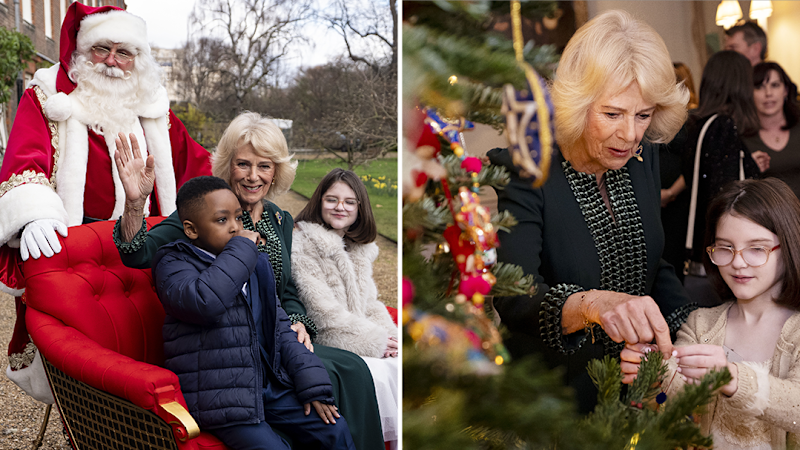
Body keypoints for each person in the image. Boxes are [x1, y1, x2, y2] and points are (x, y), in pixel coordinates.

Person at [113, 112, 384, 450]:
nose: (253, 176)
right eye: (243, 164)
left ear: (276, 172)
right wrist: (135, 205)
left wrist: (298, 321)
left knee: (351, 369)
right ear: (228, 166)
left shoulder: (279, 219)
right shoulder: (203, 213)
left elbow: (286, 288)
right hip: (225, 358)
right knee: (337, 373)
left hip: (275, 336)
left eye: (264, 166)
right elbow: (138, 254)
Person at [0, 2, 211, 402]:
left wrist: (243, 181)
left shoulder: (153, 109)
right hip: (76, 252)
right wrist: (34, 213)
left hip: (145, 252)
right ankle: (87, 416)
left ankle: (150, 410)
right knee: (85, 359)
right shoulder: (46, 97)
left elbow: (196, 167)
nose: (112, 61)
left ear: (137, 60)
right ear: (84, 51)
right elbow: (24, 159)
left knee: (155, 343)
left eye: (124, 52)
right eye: (102, 49)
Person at [486, 10, 694, 413]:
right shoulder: (526, 167)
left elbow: (651, 263)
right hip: (553, 399)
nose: (630, 134)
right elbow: (514, 296)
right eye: (612, 113)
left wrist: (695, 326)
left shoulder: (642, 157)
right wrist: (592, 305)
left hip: (634, 392)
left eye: (643, 115)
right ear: (577, 104)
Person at [152, 176, 355, 450]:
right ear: (191, 229)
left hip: (265, 387)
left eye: (238, 217)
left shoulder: (253, 262)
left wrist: (313, 385)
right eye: (222, 220)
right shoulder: (173, 263)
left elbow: (279, 326)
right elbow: (206, 302)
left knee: (334, 430)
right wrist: (242, 248)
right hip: (220, 396)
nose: (235, 227)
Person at [621, 178, 800, 448]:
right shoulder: (701, 324)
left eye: (756, 249)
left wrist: (731, 377)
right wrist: (654, 375)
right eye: (725, 248)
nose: (737, 262)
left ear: (789, 246)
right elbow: (671, 403)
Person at [292, 168, 399, 448]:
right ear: (319, 201)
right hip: (329, 340)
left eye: (350, 202)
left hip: (357, 332)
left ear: (359, 208)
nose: (341, 207)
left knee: (400, 362)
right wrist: (375, 342)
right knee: (377, 373)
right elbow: (323, 314)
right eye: (332, 199)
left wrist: (390, 337)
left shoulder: (358, 248)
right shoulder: (302, 244)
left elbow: (370, 304)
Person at [680, 50, 763, 307]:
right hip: (719, 266)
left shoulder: (699, 125)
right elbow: (725, 197)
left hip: (698, 261)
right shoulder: (723, 126)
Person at [743, 62, 800, 198]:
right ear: (750, 93)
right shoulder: (742, 137)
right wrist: (748, 168)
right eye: (759, 87)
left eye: (775, 85)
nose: (768, 93)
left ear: (785, 90)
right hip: (767, 210)